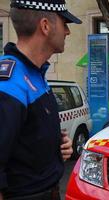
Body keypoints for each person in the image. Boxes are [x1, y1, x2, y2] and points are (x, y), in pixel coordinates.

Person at [0, 0, 82, 199]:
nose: (68, 32)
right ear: (45, 26)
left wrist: (55, 150)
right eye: (65, 23)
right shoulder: (9, 84)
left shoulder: (35, 74)